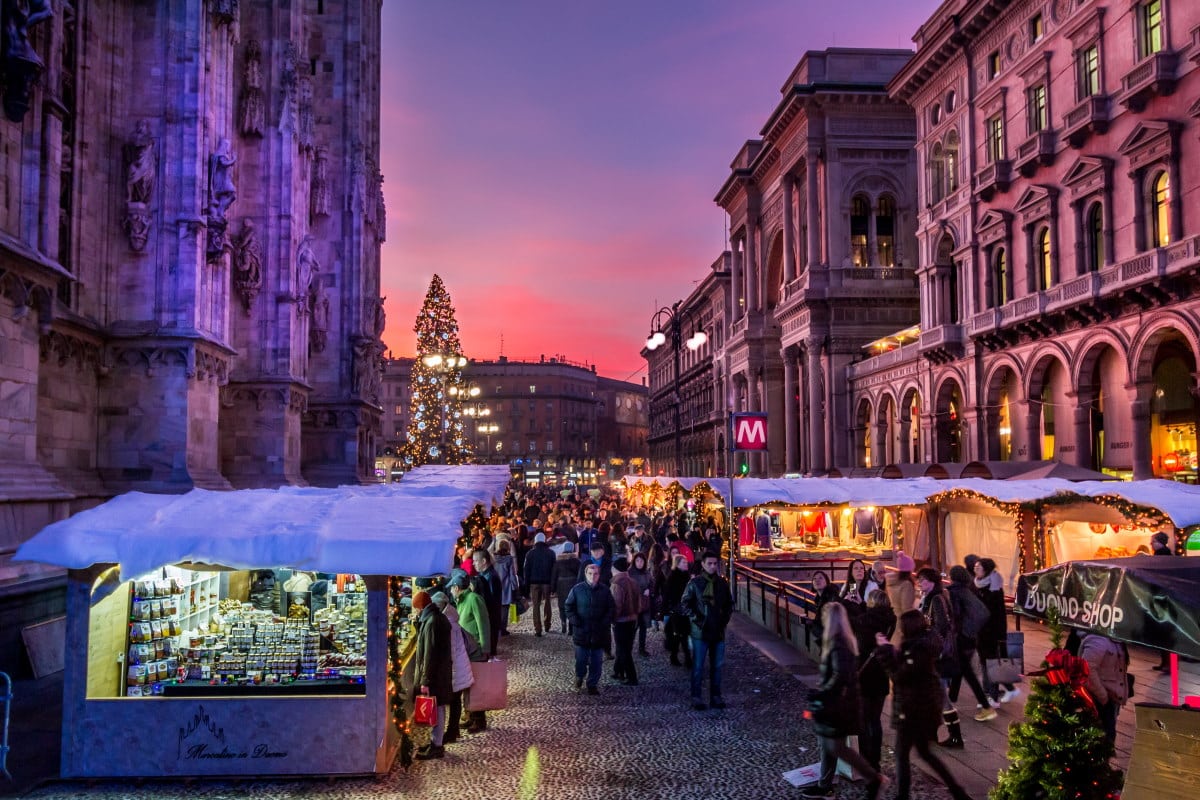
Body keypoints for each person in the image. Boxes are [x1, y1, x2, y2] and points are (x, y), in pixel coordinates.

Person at [873, 611, 972, 800]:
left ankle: (903, 796)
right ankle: (957, 791)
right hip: (921, 710)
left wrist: (885, 653)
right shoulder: (921, 646)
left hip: (913, 712)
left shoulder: (917, 650)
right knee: (925, 754)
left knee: (903, 755)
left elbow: (899, 676)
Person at [801, 602, 888, 799]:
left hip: (838, 705)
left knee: (836, 746)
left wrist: (823, 693)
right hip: (836, 703)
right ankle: (825, 785)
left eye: (824, 616)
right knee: (828, 744)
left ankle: (874, 778)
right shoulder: (838, 641)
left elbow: (841, 675)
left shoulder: (839, 644)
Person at [916, 567, 966, 748]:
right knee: (935, 695)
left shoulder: (936, 599)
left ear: (932, 582)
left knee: (941, 696)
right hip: (935, 654)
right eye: (919, 579)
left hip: (937, 656)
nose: (920, 583)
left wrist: (929, 640)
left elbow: (942, 626)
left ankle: (955, 736)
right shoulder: (932, 597)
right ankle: (933, 733)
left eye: (923, 580)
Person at [681, 551, 733, 710]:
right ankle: (696, 697)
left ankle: (715, 696)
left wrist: (723, 621)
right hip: (701, 632)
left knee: (716, 666)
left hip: (717, 631)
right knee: (698, 666)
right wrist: (698, 620)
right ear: (703, 564)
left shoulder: (722, 584)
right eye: (709, 563)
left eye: (714, 564)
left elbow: (729, 605)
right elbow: (685, 603)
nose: (712, 566)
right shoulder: (695, 583)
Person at [945, 565, 997, 721]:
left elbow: (956, 615)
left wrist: (955, 630)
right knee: (961, 669)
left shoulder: (954, 592)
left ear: (952, 577)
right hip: (971, 637)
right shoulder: (968, 590)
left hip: (961, 638)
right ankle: (950, 700)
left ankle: (986, 707)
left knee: (967, 673)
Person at [855, 589, 896, 773]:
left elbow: (862, 644)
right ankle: (876, 761)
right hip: (881, 672)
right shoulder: (890, 619)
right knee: (875, 720)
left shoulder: (864, 621)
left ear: (871, 602)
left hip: (865, 674)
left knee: (863, 719)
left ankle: (865, 759)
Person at [410, 591, 453, 760]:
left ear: (420, 607)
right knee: (437, 707)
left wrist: (425, 680)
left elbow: (430, 653)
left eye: (415, 609)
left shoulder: (432, 622)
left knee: (437, 708)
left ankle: (437, 745)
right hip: (439, 673)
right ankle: (435, 742)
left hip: (435, 675)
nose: (415, 612)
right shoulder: (433, 618)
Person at [448, 574, 490, 734]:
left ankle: (479, 719)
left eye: (452, 588)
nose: (451, 591)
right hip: (467, 651)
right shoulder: (461, 601)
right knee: (468, 685)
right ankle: (471, 716)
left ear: (457, 588)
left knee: (476, 687)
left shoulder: (473, 599)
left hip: (476, 650)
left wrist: (485, 648)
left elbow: (483, 623)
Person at [974, 557, 1019, 703]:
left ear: (986, 570)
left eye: (978, 567)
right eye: (975, 567)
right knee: (986, 664)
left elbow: (997, 614)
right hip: (981, 631)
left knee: (991, 664)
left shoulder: (994, 588)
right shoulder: (978, 584)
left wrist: (1000, 635)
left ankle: (992, 697)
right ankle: (1001, 691)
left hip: (992, 632)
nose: (975, 569)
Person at [565, 563, 614, 695]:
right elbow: (569, 607)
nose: (593, 576)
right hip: (582, 631)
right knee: (581, 659)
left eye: (596, 574)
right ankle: (579, 676)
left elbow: (611, 608)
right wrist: (575, 621)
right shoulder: (577, 589)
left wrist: (604, 622)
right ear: (586, 574)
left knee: (597, 661)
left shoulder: (605, 590)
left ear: (599, 575)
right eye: (590, 574)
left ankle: (592, 684)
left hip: (599, 632)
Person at [431, 591, 473, 746]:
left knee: (453, 701)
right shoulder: (451, 619)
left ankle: (451, 731)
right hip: (459, 667)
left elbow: (450, 651)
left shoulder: (447, 624)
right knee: (455, 701)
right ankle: (452, 730)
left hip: (456, 669)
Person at [1079, 631, 1130, 744]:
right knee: (1102, 740)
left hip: (1109, 700)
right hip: (1100, 701)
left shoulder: (1115, 639)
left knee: (1106, 739)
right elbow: (1087, 670)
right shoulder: (1099, 640)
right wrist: (1103, 697)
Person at [609, 556, 641, 686]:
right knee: (624, 647)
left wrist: (612, 619)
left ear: (615, 569)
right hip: (633, 619)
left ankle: (632, 677)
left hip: (621, 621)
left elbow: (617, 605)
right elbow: (639, 602)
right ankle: (618, 671)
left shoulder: (617, 583)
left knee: (623, 649)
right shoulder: (633, 581)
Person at [661, 554, 693, 667]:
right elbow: (669, 594)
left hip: (684, 609)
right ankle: (686, 659)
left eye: (686, 562)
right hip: (678, 610)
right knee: (681, 634)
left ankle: (676, 657)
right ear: (678, 564)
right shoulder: (674, 577)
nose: (686, 564)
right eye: (683, 563)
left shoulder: (686, 576)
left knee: (680, 634)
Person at [523, 532, 556, 636]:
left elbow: (526, 570)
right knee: (547, 604)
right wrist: (553, 584)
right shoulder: (551, 553)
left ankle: (538, 629)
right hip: (547, 582)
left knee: (536, 606)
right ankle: (547, 625)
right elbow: (554, 570)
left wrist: (526, 585)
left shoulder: (530, 553)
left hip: (534, 582)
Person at [471, 548, 503, 657]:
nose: (473, 563)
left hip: (491, 619)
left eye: (475, 561)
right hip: (490, 618)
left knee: (490, 652)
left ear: (484, 561)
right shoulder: (486, 575)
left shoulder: (491, 577)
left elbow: (492, 601)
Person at [628, 551, 653, 656]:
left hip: (645, 604)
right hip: (633, 604)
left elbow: (652, 584)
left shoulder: (647, 572)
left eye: (641, 560)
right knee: (633, 628)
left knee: (643, 627)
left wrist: (649, 590)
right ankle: (628, 648)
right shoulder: (629, 572)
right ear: (634, 561)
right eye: (637, 560)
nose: (639, 563)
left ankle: (641, 649)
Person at [493, 541, 519, 636]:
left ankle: (496, 627)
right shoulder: (509, 559)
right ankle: (503, 628)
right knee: (505, 609)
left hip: (495, 585)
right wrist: (515, 586)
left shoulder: (494, 558)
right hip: (506, 586)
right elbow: (512, 574)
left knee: (496, 608)